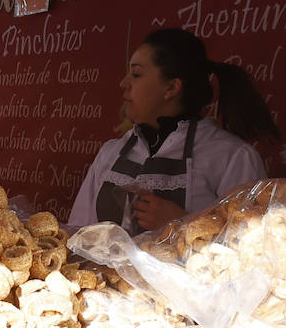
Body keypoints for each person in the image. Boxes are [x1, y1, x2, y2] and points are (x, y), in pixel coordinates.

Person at [69, 29, 275, 232]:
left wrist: (183, 223)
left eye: (137, 74)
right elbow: (78, 233)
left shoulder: (232, 157)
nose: (124, 83)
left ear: (171, 88)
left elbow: (253, 248)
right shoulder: (110, 153)